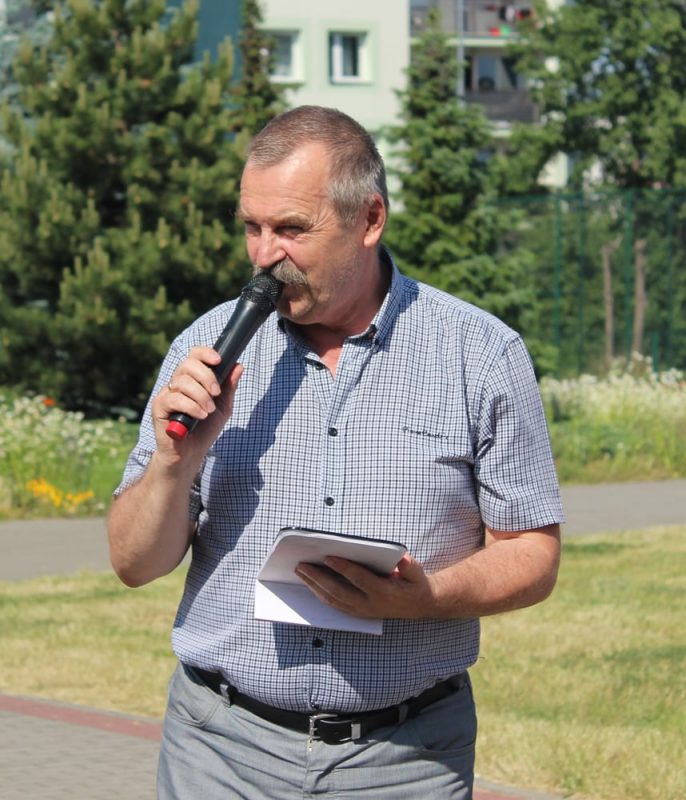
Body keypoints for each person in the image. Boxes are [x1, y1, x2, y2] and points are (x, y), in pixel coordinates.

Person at [108, 105, 564, 799]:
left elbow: (532, 553)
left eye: (292, 229)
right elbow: (133, 563)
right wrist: (174, 464)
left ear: (369, 219)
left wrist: (428, 598)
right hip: (221, 750)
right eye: (252, 227)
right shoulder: (204, 349)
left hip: (404, 758)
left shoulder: (480, 354)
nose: (265, 254)